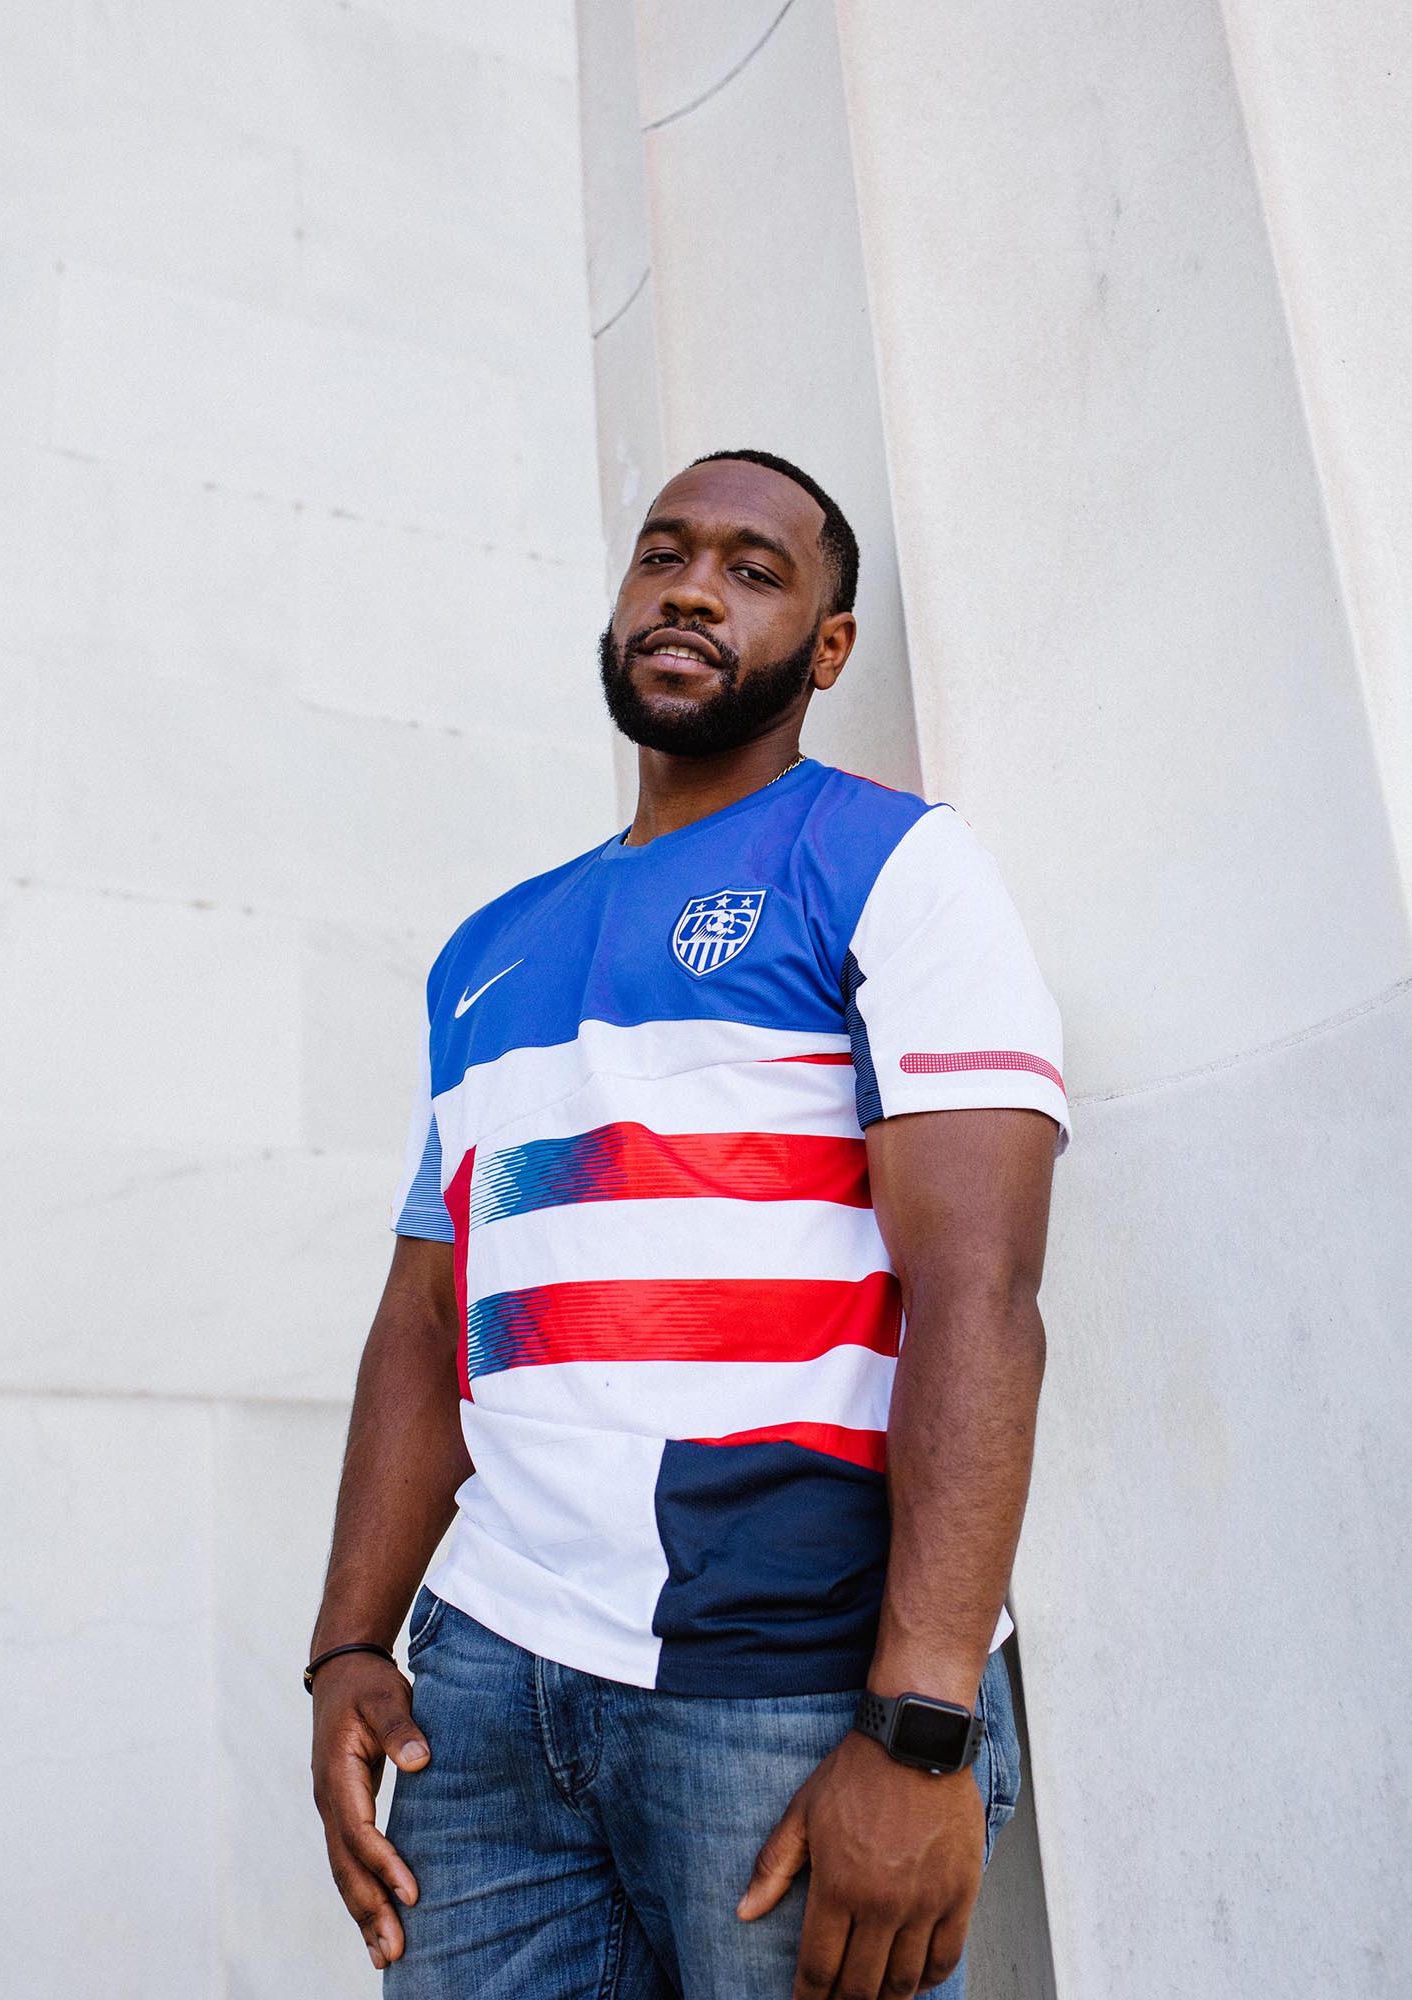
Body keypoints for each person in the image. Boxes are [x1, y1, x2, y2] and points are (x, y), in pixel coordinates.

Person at [308, 449, 1069, 2000]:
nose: (694, 591)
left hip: (787, 1686)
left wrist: (924, 1722)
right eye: (664, 555)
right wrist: (349, 1645)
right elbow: (427, 1317)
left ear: (828, 650)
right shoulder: (484, 951)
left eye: (752, 569)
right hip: (488, 1689)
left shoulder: (891, 865)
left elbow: (981, 1294)